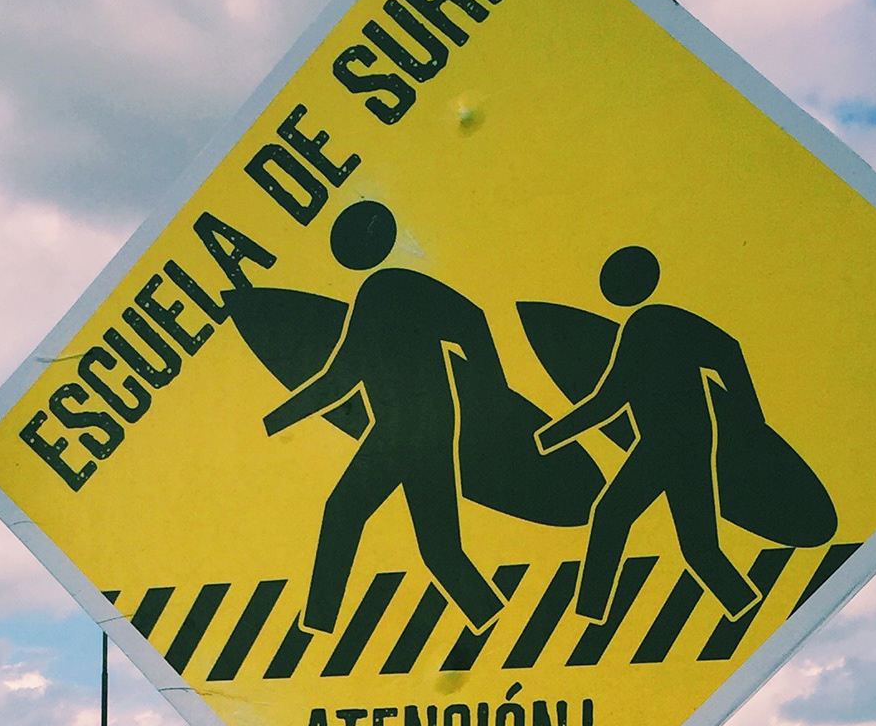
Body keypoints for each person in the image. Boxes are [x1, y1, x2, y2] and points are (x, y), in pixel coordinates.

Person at [263, 200, 503, 633]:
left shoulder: (393, 287)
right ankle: (489, 615)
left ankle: (318, 622)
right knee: (439, 548)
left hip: (408, 429)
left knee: (343, 511)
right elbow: (339, 379)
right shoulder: (374, 295)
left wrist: (493, 396)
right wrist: (276, 420)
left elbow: (472, 319)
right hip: (409, 427)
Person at [534, 246, 763, 622]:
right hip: (674, 442)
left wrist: (750, 422)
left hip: (670, 444)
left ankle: (589, 612)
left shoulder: (655, 321)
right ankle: (745, 604)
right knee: (698, 548)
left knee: (611, 515)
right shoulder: (642, 326)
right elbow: (611, 400)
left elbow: (727, 350)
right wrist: (549, 438)